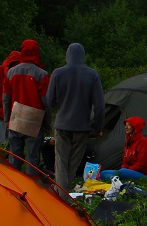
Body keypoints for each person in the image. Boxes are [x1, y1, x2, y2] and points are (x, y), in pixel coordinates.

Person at [45, 43, 105, 193]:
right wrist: (97, 127)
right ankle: (64, 195)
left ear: (67, 55)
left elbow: (49, 101)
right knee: (73, 163)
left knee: (61, 162)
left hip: (62, 125)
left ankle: (61, 195)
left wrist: (47, 123)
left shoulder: (58, 73)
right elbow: (99, 106)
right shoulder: (92, 75)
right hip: (82, 127)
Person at [3, 39, 49, 178]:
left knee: (14, 156)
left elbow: (5, 99)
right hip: (34, 118)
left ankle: (13, 185)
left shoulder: (11, 73)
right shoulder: (42, 74)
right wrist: (47, 123)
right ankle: (31, 188)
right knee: (32, 158)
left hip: (16, 116)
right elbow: (46, 102)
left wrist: (7, 120)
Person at [100, 116, 147, 181]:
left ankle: (116, 179)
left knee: (123, 171)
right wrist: (124, 169)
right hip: (129, 171)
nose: (126, 127)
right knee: (103, 173)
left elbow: (141, 164)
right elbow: (125, 160)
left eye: (129, 125)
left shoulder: (144, 142)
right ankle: (116, 181)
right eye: (125, 125)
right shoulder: (128, 142)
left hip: (144, 174)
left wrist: (126, 170)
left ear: (135, 127)